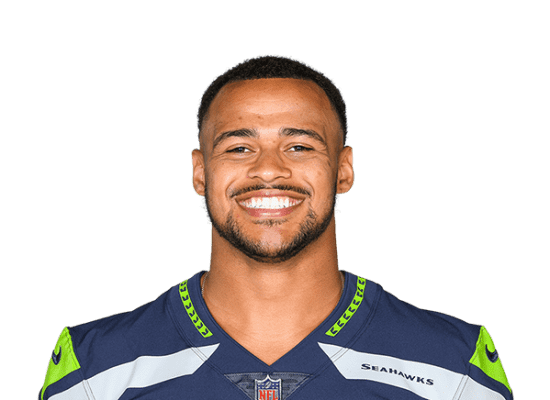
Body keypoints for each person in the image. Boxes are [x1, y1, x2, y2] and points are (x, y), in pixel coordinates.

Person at [39, 55, 513, 400]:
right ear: (200, 173)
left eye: (300, 147)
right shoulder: (95, 369)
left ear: (344, 170)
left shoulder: (454, 367)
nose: (268, 169)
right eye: (239, 148)